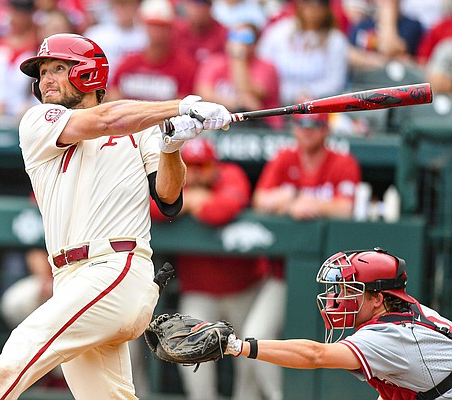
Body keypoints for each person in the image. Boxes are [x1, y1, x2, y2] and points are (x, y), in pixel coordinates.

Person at [0, 32, 232, 399]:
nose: (46, 80)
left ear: (88, 74)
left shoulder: (140, 131)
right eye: (42, 72)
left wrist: (172, 145)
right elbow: (108, 120)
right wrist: (177, 107)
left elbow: (169, 195)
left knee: (19, 352)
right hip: (69, 279)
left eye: (58, 68)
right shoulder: (39, 121)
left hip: (116, 269)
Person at [235, 112, 361, 400]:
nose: (307, 131)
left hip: (338, 282)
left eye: (315, 125)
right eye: (302, 124)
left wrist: (308, 202)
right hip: (285, 275)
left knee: (332, 348)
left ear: (325, 130)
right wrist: (291, 200)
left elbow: (346, 208)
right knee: (256, 333)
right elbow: (260, 200)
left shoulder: (342, 161)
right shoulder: (284, 158)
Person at [222, 247, 452, 400]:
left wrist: (239, 347)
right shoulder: (405, 313)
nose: (338, 298)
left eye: (350, 291)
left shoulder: (388, 335)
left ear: (378, 299)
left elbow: (315, 355)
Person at [150, 136, 272, 400]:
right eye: (190, 166)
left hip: (243, 288)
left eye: (202, 166)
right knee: (188, 350)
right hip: (199, 290)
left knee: (249, 353)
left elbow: (223, 209)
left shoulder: (231, 173)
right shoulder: (173, 176)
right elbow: (150, 208)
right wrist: (193, 198)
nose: (194, 174)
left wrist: (186, 202)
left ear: (214, 165)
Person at [256, 0, 349, 106]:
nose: (313, 11)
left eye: (318, 6)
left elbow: (335, 81)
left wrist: (307, 93)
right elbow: (263, 62)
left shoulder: (335, 40)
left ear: (326, 10)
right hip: (275, 101)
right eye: (308, 4)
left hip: (317, 105)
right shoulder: (279, 31)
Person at [194, 22, 284, 130]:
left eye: (246, 38)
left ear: (255, 43)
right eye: (233, 36)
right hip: (223, 125)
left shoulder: (266, 67)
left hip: (261, 128)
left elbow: (253, 97)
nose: (237, 42)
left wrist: (238, 58)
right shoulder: (214, 63)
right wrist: (237, 104)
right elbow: (203, 94)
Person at [105, 0, 197, 101]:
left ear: (171, 29)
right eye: (152, 26)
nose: (156, 32)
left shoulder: (185, 67)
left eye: (162, 26)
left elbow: (185, 104)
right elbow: (113, 96)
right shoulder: (129, 62)